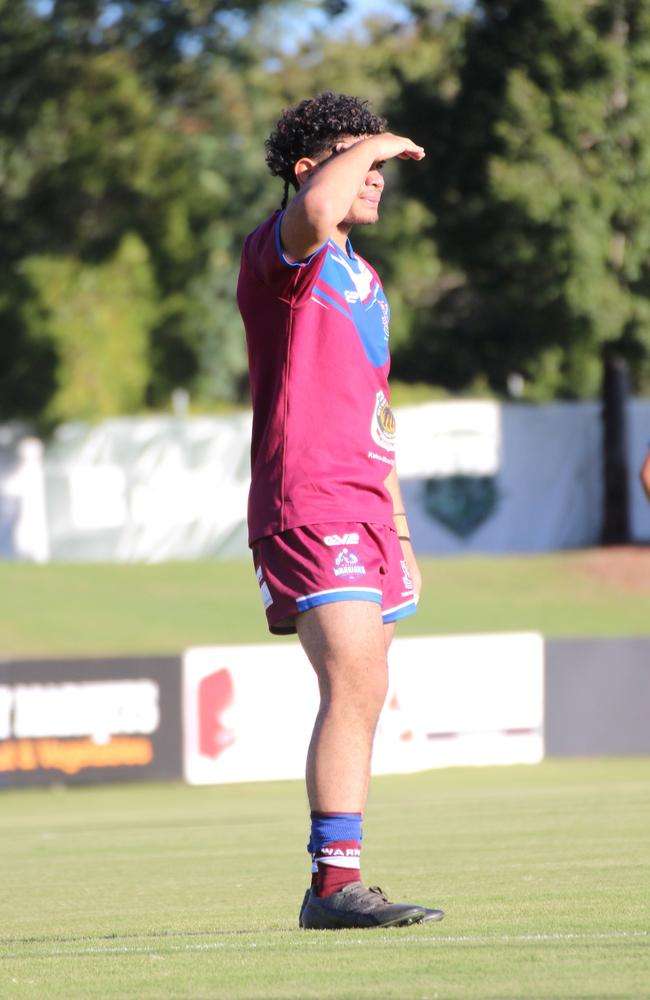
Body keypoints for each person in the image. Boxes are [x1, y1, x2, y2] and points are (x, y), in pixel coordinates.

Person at [237, 92, 444, 930]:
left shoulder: (365, 277)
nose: (378, 178)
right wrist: (381, 138)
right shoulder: (286, 251)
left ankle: (342, 877)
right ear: (306, 170)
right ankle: (331, 889)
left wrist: (398, 527)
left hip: (366, 504)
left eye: (381, 166)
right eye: (362, 162)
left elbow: (374, 403)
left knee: (366, 688)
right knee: (350, 678)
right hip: (309, 497)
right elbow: (319, 208)